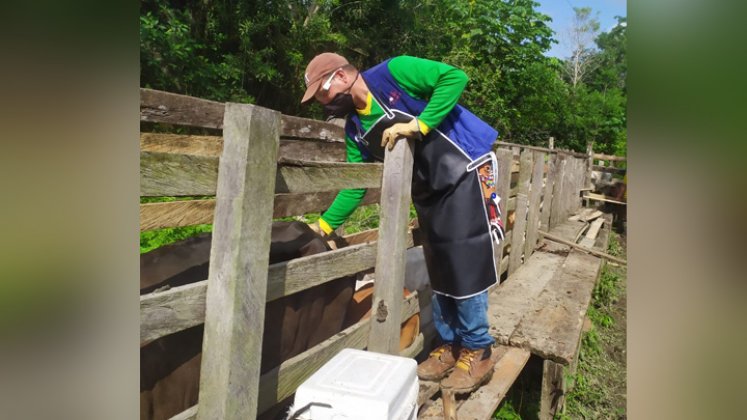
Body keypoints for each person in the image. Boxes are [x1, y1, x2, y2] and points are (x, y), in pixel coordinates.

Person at [301, 53, 505, 391]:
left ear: (339, 77)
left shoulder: (393, 73)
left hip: (464, 167)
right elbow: (356, 187)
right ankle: (451, 345)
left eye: (321, 94)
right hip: (429, 189)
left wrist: (419, 124)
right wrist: (322, 227)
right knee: (438, 262)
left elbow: (454, 78)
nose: (323, 104)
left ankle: (478, 348)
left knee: (464, 258)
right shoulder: (355, 129)